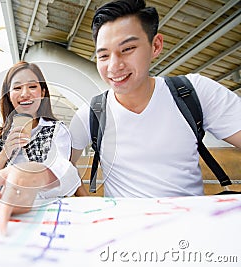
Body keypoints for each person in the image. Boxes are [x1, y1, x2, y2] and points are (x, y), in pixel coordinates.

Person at [69, 0, 241, 198]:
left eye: (127, 49)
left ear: (156, 45)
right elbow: (59, 167)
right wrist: (87, 204)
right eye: (104, 56)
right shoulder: (91, 114)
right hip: (123, 226)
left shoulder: (193, 93)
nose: (114, 66)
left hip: (190, 224)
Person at [0, 61, 81, 234]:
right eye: (17, 88)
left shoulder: (57, 130)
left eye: (32, 87)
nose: (25, 94)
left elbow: (62, 174)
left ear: (42, 93)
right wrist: (4, 155)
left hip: (48, 211)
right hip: (5, 208)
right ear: (8, 95)